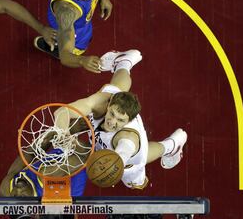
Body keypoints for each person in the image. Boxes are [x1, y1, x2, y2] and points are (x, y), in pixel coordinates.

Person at [55, 49, 188, 189]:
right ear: (110, 104)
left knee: (138, 184)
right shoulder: (103, 102)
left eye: (120, 120)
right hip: (115, 111)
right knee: (116, 88)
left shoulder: (127, 141)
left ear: (128, 121)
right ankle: (124, 62)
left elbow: (118, 158)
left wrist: (110, 167)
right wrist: (63, 134)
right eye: (112, 114)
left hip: (129, 158)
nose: (112, 122)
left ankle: (171, 146)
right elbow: (62, 112)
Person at [34, 0, 112, 73]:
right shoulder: (67, 12)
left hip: (79, 6)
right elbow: (65, 57)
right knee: (73, 48)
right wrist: (82, 60)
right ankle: (55, 47)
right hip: (72, 29)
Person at [0, 135, 90, 197]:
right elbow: (87, 155)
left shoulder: (6, 188)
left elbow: (30, 153)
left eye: (14, 195)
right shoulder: (46, 177)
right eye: (23, 196)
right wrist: (68, 137)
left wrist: (53, 135)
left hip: (62, 155)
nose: (18, 191)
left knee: (63, 115)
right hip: (80, 161)